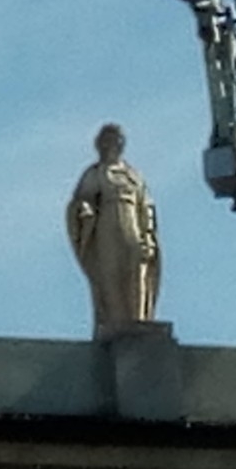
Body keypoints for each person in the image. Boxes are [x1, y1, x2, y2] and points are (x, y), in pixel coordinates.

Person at [65, 123, 161, 337]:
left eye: (115, 140)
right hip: (107, 226)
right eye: (107, 140)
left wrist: (148, 235)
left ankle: (139, 321)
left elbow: (146, 206)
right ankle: (115, 323)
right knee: (111, 274)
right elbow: (81, 201)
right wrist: (85, 211)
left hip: (131, 224)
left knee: (136, 270)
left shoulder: (133, 176)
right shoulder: (95, 173)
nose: (111, 144)